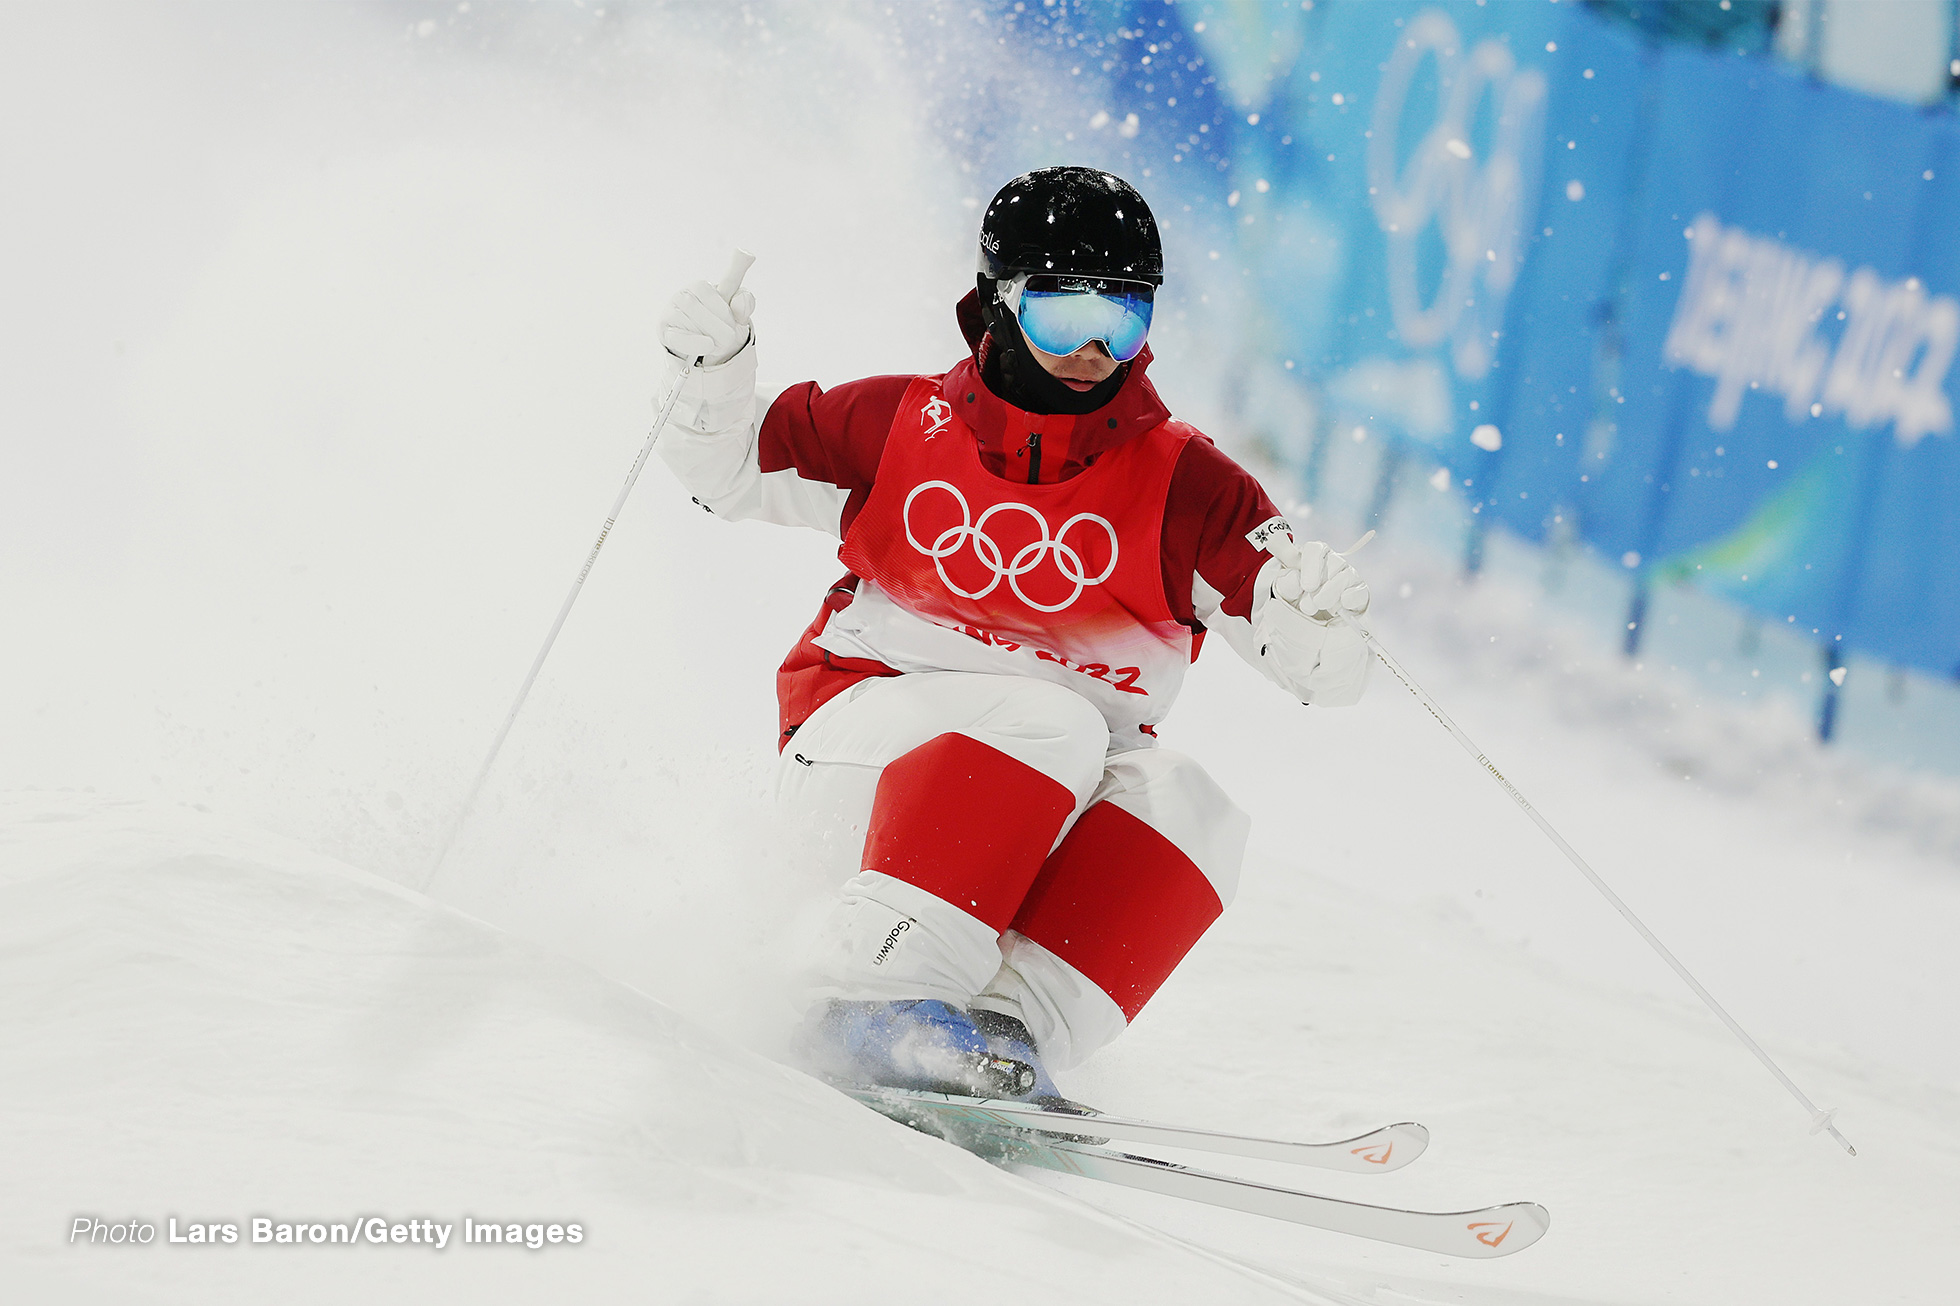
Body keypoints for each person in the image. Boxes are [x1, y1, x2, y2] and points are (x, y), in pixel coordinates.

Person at [655, 166, 1372, 1103]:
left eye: (1122, 319)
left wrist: (1320, 630)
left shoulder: (1189, 487)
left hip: (1036, 810)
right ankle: (868, 997)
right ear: (998, 304)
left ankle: (1003, 1032)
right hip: (857, 762)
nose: (1090, 350)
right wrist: (707, 373)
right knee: (1052, 721)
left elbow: (1317, 668)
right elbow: (726, 469)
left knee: (1190, 807)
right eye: (1059, 314)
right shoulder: (903, 422)